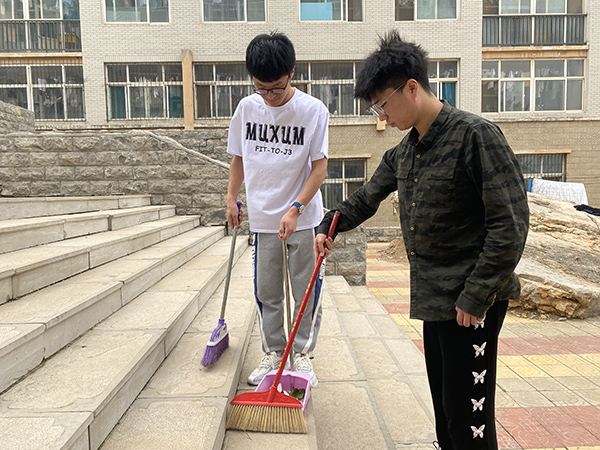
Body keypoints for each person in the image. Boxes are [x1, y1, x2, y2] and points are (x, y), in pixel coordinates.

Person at [314, 31, 529, 450]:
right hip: (435, 299)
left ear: (412, 88)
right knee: (447, 413)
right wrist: (328, 226)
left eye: (383, 104)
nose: (381, 115)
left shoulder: (475, 136)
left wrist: (476, 295)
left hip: (471, 303)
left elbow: (511, 225)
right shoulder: (406, 150)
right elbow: (367, 197)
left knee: (469, 420)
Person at [226, 32, 329, 388]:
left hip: (304, 219)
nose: (270, 96)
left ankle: (301, 355)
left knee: (305, 291)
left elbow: (319, 167)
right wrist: (231, 198)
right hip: (263, 218)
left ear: (292, 73)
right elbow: (239, 158)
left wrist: (297, 207)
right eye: (262, 89)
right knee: (267, 291)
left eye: (277, 88)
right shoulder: (246, 109)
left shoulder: (313, 111)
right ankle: (273, 351)